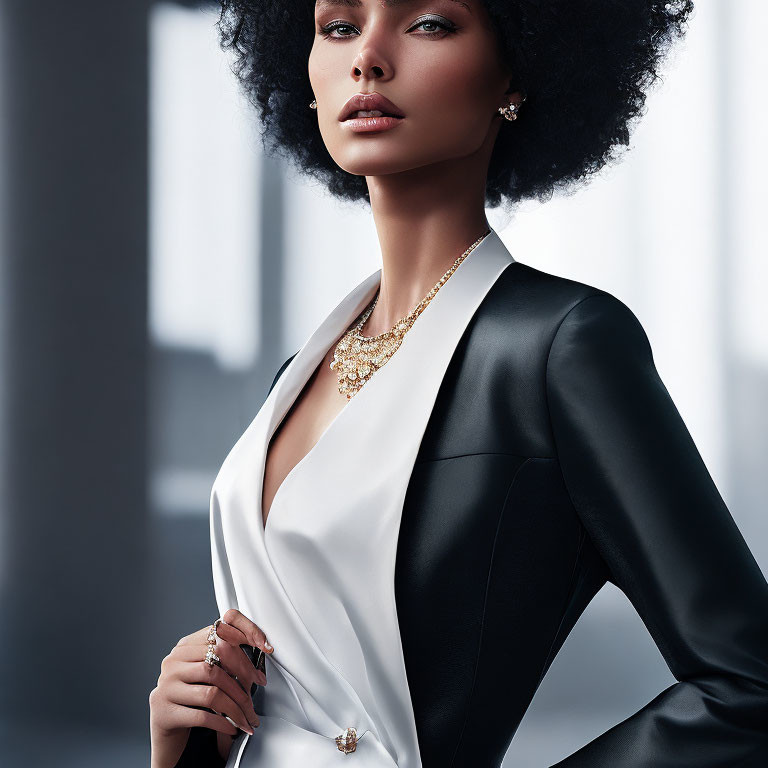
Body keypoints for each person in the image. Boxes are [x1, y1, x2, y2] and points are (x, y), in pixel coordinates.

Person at [149, 0, 768, 766]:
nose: (368, 58)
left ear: (515, 70)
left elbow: (748, 685)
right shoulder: (300, 373)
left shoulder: (560, 346)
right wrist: (191, 730)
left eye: (429, 23)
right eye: (339, 26)